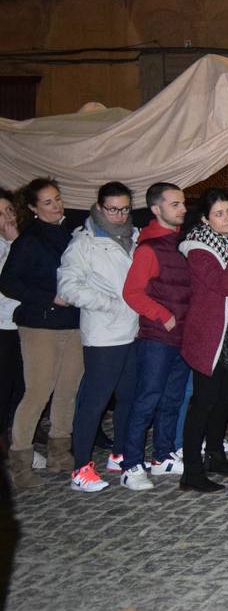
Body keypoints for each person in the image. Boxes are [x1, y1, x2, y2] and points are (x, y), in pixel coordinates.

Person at [56, 182, 140, 492]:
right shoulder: (84, 242)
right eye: (113, 209)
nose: (120, 215)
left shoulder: (134, 237)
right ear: (99, 207)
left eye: (125, 209)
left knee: (128, 396)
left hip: (133, 330)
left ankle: (119, 453)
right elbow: (67, 286)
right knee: (94, 401)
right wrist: (108, 303)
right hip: (104, 334)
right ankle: (81, 468)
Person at [177, 189, 228, 493]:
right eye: (219, 214)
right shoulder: (198, 248)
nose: (227, 218)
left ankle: (214, 454)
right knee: (203, 402)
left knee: (224, 399)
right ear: (205, 219)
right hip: (209, 336)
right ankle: (191, 471)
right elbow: (225, 285)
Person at [0, 178, 82, 487]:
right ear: (33, 208)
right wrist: (49, 297)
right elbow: (9, 282)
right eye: (48, 202)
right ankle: (20, 464)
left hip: (73, 322)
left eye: (57, 199)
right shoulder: (30, 240)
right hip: (40, 325)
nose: (56, 205)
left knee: (68, 390)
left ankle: (59, 454)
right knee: (38, 391)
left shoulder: (69, 233)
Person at [119, 183, 192, 490]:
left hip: (181, 337)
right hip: (157, 338)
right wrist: (164, 316)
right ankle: (131, 465)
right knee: (146, 400)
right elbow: (132, 292)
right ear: (156, 209)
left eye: (183, 203)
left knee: (172, 399)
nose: (183, 209)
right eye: (175, 204)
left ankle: (162, 456)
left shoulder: (179, 244)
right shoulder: (149, 248)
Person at [0, 190, 22, 448]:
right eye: (0, 213)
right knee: (4, 385)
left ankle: (18, 434)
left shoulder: (18, 240)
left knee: (21, 384)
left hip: (20, 323)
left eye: (9, 210)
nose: (7, 217)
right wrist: (15, 244)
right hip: (2, 325)